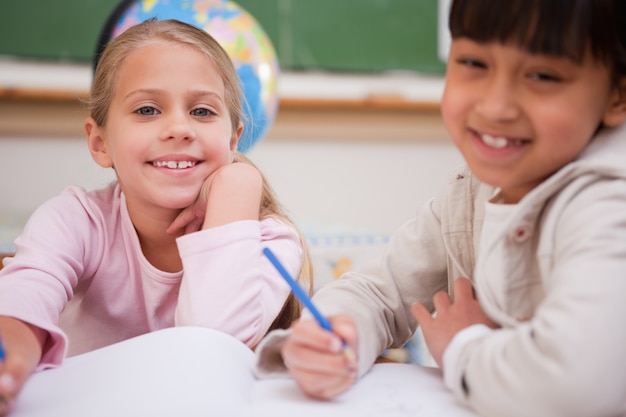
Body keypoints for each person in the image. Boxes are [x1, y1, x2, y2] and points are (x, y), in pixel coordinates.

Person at [255, 0, 626, 416]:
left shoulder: (611, 206)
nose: (494, 106)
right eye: (473, 63)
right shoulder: (471, 191)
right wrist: (335, 338)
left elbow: (575, 385)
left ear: (618, 94)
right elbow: (377, 291)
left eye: (542, 75)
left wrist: (463, 347)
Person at [0, 18, 312, 415]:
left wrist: (240, 182)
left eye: (201, 111)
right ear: (99, 143)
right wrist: (11, 345)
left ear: (233, 140)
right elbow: (27, 294)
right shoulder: (74, 221)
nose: (179, 128)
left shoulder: (272, 242)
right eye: (147, 109)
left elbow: (210, 341)